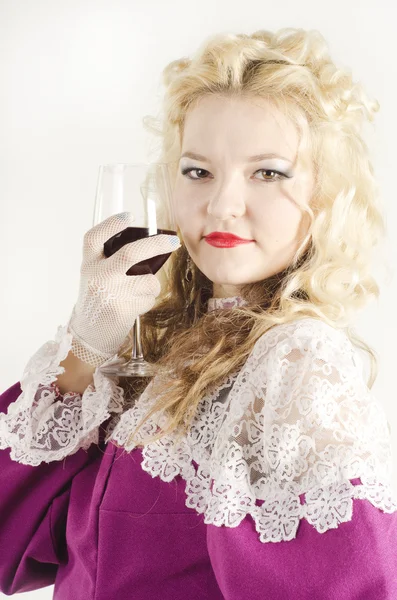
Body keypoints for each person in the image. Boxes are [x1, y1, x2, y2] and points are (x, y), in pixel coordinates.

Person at [1, 26, 396, 600]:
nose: (222, 204)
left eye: (268, 173)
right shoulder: (159, 352)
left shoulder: (297, 367)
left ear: (325, 197)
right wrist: (85, 348)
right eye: (198, 171)